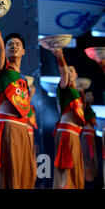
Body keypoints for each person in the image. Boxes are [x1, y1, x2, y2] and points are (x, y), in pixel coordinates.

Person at [0, 9, 36, 189]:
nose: (14, 46)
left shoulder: (22, 79)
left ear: (23, 52)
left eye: (17, 44)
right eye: (10, 44)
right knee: (9, 175)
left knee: (24, 173)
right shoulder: (1, 70)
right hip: (8, 127)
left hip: (22, 129)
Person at [51, 48, 85, 189]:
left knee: (75, 169)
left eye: (71, 71)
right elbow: (64, 73)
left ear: (76, 74)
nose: (68, 72)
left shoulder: (76, 93)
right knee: (66, 168)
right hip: (67, 133)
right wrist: (60, 57)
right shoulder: (64, 88)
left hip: (74, 135)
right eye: (66, 70)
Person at [79, 90, 98, 185]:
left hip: (91, 134)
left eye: (92, 95)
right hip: (86, 134)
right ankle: (87, 180)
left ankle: (92, 178)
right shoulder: (84, 107)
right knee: (87, 156)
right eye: (88, 95)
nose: (91, 97)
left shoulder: (90, 108)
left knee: (92, 157)